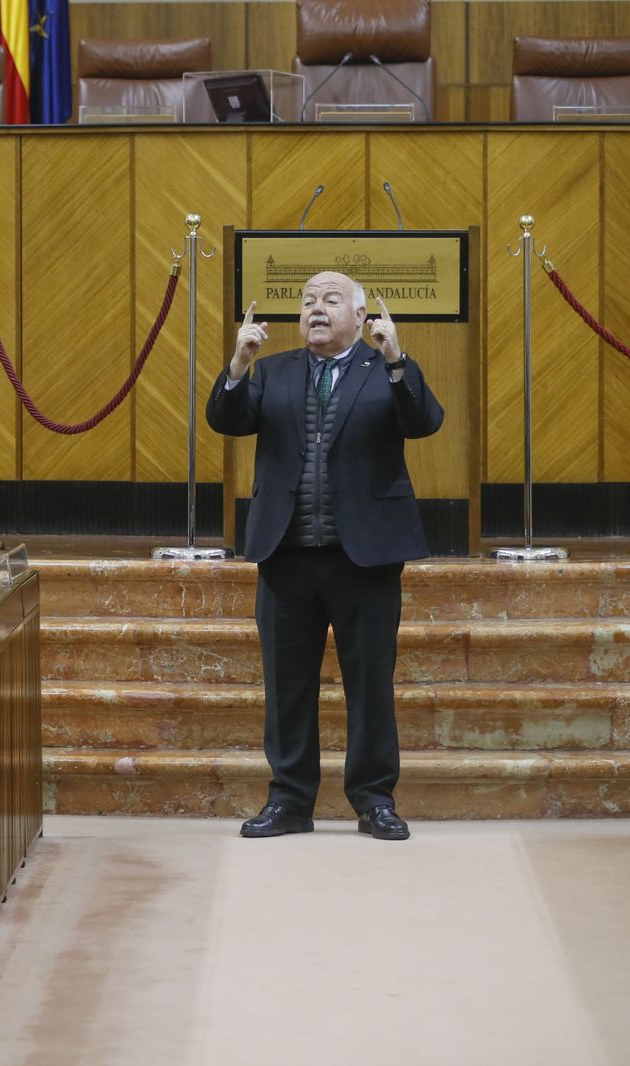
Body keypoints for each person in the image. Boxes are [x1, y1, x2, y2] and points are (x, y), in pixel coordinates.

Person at [207, 272, 444, 842]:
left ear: (360, 317)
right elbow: (226, 420)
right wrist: (239, 364)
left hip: (364, 556)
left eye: (331, 300)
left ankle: (374, 801)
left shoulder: (384, 368)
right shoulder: (275, 370)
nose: (316, 309)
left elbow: (423, 422)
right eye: (309, 300)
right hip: (285, 554)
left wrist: (397, 360)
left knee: (370, 686)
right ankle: (289, 802)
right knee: (287, 687)